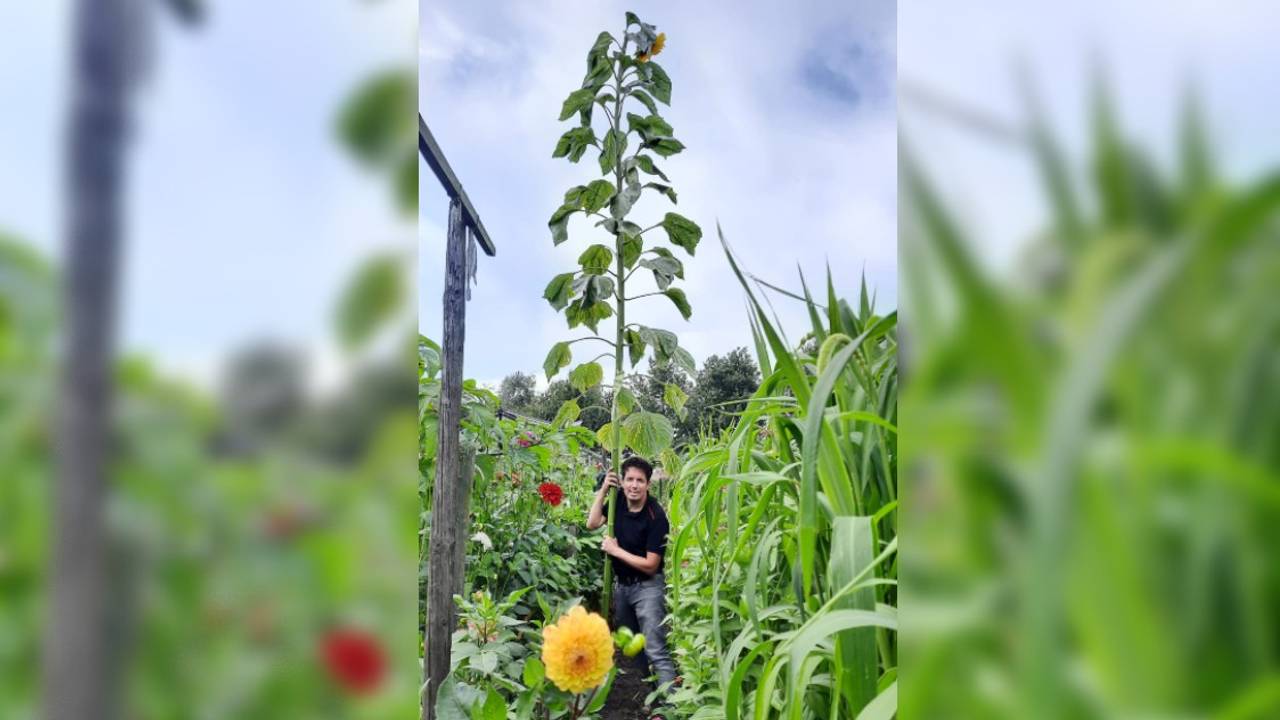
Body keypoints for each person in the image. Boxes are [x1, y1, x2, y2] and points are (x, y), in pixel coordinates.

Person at [586, 455, 679, 707]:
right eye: (629, 479)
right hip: (622, 588)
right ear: (623, 482)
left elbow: (651, 565)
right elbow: (592, 522)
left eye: (640, 480)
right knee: (634, 649)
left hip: (648, 588)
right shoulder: (617, 504)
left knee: (655, 648)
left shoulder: (656, 516)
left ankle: (670, 708)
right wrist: (604, 490)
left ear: (648, 484)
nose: (634, 485)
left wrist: (615, 551)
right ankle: (656, 696)